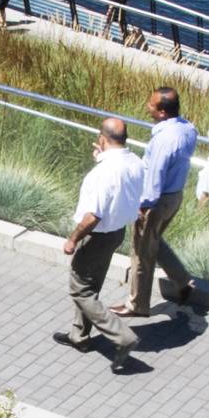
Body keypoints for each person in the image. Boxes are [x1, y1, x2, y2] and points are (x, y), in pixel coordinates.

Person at [54, 116, 144, 374]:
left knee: (80, 291)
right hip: (117, 233)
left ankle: (123, 338)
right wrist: (102, 158)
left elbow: (93, 216)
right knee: (91, 285)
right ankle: (79, 336)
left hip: (97, 236)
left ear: (102, 139)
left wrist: (73, 239)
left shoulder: (101, 173)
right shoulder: (136, 162)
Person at [116, 86, 197, 316]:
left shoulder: (164, 140)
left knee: (142, 252)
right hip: (175, 195)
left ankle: (137, 304)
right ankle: (182, 281)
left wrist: (143, 204)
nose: (147, 107)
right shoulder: (188, 129)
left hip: (157, 201)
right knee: (154, 242)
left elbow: (155, 174)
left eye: (151, 104)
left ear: (162, 112)